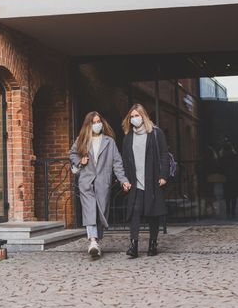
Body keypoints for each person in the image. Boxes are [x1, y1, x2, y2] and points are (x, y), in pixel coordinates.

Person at [69, 111, 130, 258]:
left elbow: (117, 163)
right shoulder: (82, 139)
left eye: (99, 122)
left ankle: (96, 239)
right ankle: (93, 242)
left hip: (103, 182)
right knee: (90, 209)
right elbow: (72, 154)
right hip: (86, 181)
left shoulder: (109, 142)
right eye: (94, 122)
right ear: (88, 125)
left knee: (100, 212)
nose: (97, 124)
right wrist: (80, 161)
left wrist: (123, 180)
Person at [121, 104, 169, 258]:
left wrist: (163, 175)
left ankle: (152, 243)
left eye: (137, 115)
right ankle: (133, 245)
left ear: (143, 116)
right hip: (135, 181)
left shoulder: (155, 133)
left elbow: (164, 155)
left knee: (152, 213)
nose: (135, 119)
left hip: (152, 179)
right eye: (132, 116)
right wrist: (125, 180)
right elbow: (124, 159)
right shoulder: (128, 137)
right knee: (135, 211)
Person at [219, 143, 238, 219]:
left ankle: (228, 210)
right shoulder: (235, 157)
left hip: (226, 179)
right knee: (234, 196)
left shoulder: (222, 158)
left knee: (227, 196)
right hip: (235, 179)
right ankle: (233, 211)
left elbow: (220, 169)